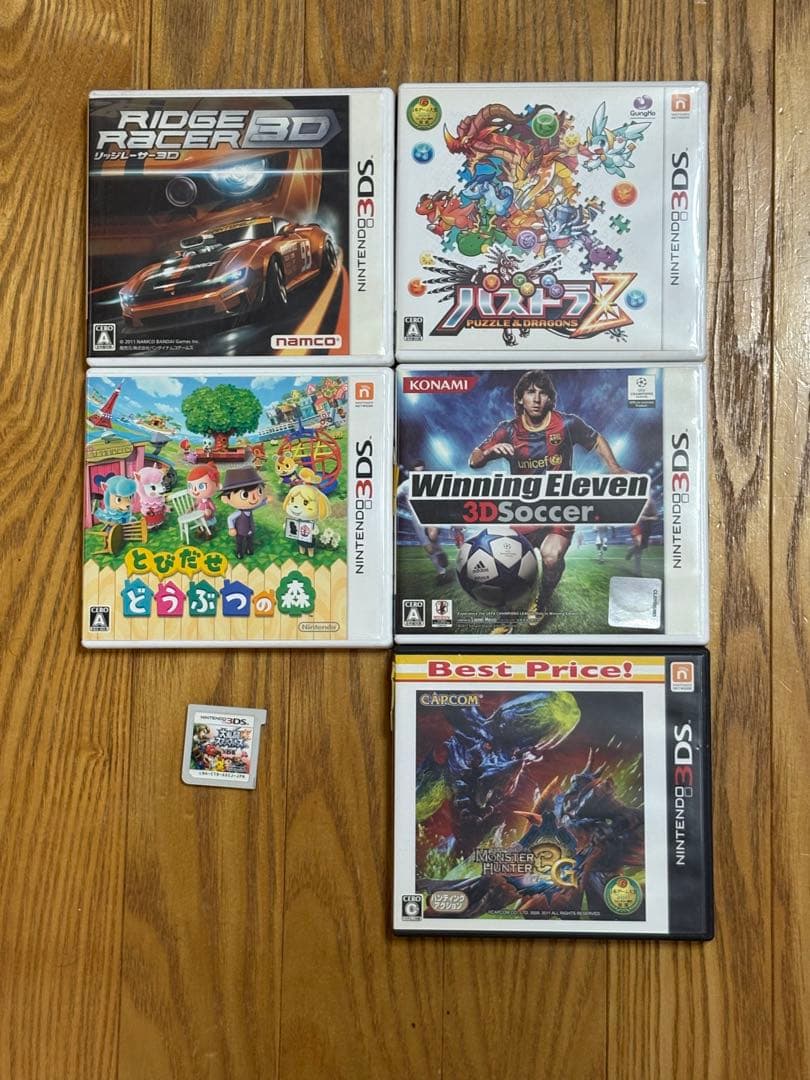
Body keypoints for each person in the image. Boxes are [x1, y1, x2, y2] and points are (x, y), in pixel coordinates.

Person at [469, 370, 627, 627]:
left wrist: (615, 468)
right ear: (520, 398)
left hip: (560, 508)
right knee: (501, 558)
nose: (536, 399)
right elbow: (474, 458)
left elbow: (596, 439)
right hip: (523, 510)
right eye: (530, 392)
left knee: (551, 557)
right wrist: (488, 453)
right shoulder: (507, 430)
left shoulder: (567, 424)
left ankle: (542, 600)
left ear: (550, 399)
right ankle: (506, 614)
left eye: (543, 393)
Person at [396, 460, 450, 585]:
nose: (419, 474)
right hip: (417, 521)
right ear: (412, 472)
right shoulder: (406, 485)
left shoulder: (430, 482)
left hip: (431, 515)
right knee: (430, 550)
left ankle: (440, 555)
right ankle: (441, 572)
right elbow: (394, 495)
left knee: (432, 535)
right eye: (417, 472)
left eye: (422, 472)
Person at [625, 498, 659, 574]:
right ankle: (638, 571)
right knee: (638, 548)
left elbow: (656, 517)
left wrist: (646, 518)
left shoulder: (651, 503)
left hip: (647, 528)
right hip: (636, 527)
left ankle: (631, 550)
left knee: (643, 546)